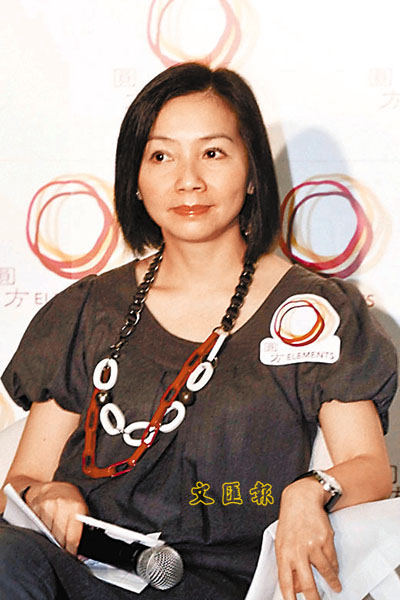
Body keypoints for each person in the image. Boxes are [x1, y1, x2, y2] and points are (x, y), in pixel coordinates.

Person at [0, 62, 396, 600]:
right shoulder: (89, 308)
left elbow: (369, 467)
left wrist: (312, 490)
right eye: (161, 156)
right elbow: (22, 480)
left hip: (218, 584)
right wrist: (48, 495)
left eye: (212, 153)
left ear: (252, 173)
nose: (188, 180)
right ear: (135, 180)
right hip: (76, 573)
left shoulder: (314, 310)